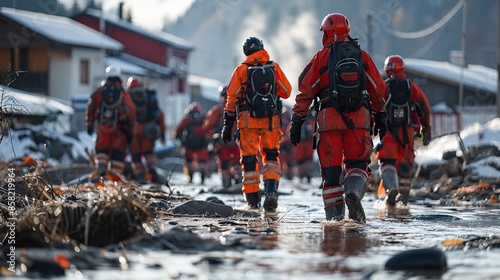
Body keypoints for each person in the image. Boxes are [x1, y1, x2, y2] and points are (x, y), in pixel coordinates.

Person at [288, 13, 387, 223]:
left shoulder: (319, 58)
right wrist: (382, 116)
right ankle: (353, 192)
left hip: (328, 123)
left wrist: (297, 122)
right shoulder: (362, 56)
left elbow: (305, 90)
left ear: (328, 33)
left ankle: (334, 222)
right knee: (358, 166)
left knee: (331, 175)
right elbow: (379, 89)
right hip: (359, 123)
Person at [221, 36, 292, 212]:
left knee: (250, 161)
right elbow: (287, 91)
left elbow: (232, 98)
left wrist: (227, 126)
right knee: (271, 157)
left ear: (246, 52)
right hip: (271, 121)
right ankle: (271, 192)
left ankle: (253, 204)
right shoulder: (274, 68)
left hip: (247, 123)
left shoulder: (242, 70)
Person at [376, 55, 432, 206]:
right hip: (407, 135)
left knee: (387, 164)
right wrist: (427, 129)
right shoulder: (411, 88)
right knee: (405, 168)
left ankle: (391, 190)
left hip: (388, 134)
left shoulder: (384, 87)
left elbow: (375, 107)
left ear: (387, 70)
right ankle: (403, 202)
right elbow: (424, 107)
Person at [85, 65, 136, 182]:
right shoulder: (123, 93)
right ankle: (114, 181)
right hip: (119, 132)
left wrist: (89, 125)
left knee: (102, 151)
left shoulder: (100, 91)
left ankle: (101, 172)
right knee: (117, 156)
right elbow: (131, 112)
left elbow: (90, 106)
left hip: (103, 129)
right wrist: (130, 132)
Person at [127, 76, 166, 183]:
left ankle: (140, 177)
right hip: (147, 130)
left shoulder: (127, 97)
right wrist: (162, 133)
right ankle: (151, 168)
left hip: (133, 131)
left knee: (135, 155)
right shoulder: (148, 96)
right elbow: (160, 114)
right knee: (149, 152)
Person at [203, 85, 241, 189]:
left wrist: (212, 136)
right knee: (238, 163)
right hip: (236, 143)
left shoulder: (217, 110)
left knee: (225, 165)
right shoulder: (240, 109)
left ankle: (228, 180)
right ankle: (237, 178)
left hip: (224, 142)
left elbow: (206, 126)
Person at [173, 102, 210, 184]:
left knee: (189, 162)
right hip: (201, 144)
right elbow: (209, 130)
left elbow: (177, 131)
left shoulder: (187, 119)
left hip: (189, 144)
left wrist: (180, 139)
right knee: (202, 162)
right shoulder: (204, 119)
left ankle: (190, 178)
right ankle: (202, 178)